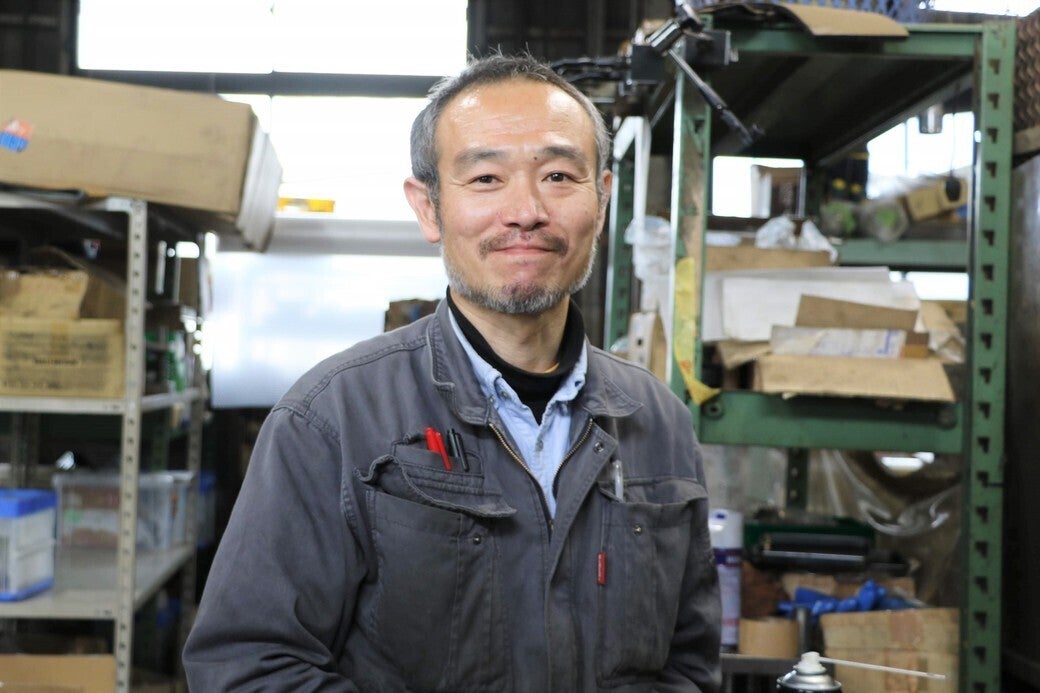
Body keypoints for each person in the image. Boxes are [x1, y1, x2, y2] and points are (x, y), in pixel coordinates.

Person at [183, 53, 721, 691]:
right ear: (428, 208)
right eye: (486, 178)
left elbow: (688, 666)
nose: (526, 210)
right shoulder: (332, 420)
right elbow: (248, 666)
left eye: (557, 175)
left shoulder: (658, 423)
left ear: (601, 201)